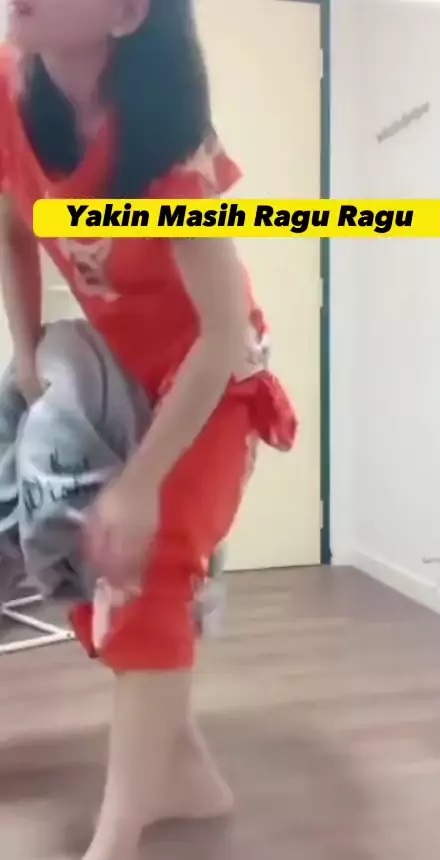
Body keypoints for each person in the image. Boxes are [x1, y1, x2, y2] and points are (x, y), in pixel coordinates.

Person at [0, 2, 297, 859]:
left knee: (152, 561)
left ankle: (118, 834)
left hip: (215, 379)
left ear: (128, 14)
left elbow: (222, 334)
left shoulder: (172, 154)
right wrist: (27, 350)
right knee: (78, 545)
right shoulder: (11, 95)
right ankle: (184, 772)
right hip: (117, 363)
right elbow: (15, 224)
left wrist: (139, 486)